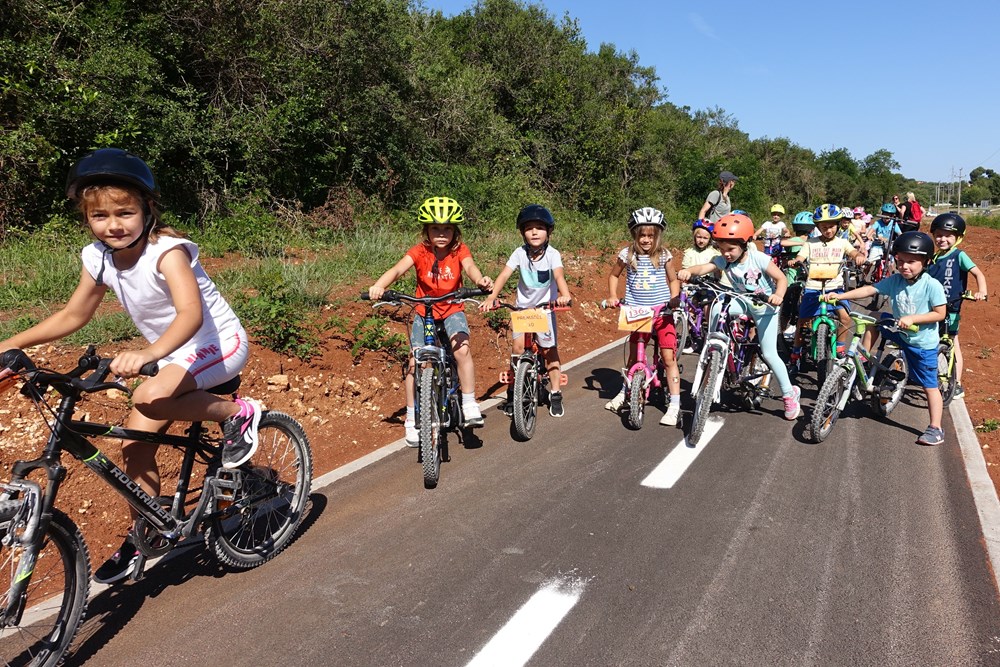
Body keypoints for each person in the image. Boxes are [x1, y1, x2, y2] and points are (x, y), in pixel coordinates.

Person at [0, 148, 262, 584]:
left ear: (147, 209)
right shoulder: (98, 257)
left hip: (216, 342)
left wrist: (148, 354)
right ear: (87, 219)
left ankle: (239, 414)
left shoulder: (167, 251)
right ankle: (147, 531)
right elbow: (73, 315)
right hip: (171, 351)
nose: (113, 225)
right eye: (100, 216)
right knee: (135, 445)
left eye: (124, 212)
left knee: (151, 396)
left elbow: (190, 316)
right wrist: (7, 342)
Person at [368, 196, 493, 445]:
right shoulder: (419, 251)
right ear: (426, 230)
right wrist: (379, 285)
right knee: (415, 363)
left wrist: (480, 281)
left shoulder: (459, 250)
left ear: (455, 231)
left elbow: (470, 267)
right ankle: (413, 419)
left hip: (452, 308)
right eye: (435, 228)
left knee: (462, 350)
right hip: (424, 312)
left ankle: (469, 403)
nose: (441, 233)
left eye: (447, 228)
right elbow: (397, 270)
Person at [825, 231, 947, 445]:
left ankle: (935, 428)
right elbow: (870, 289)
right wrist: (841, 295)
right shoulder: (895, 280)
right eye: (899, 261)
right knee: (876, 319)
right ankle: (863, 360)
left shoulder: (931, 285)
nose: (904, 266)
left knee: (929, 385)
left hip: (921, 342)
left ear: (926, 262)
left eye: (911, 262)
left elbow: (940, 313)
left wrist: (913, 318)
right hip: (899, 330)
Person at [678, 213, 802, 420]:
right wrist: (689, 271)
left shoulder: (758, 258)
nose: (726, 254)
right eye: (721, 248)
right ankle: (717, 342)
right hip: (742, 301)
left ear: (745, 244)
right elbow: (704, 267)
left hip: (765, 307)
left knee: (770, 353)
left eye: (730, 249)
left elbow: (781, 278)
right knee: (718, 306)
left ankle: (790, 394)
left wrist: (778, 295)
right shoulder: (723, 261)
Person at [480, 204, 572, 417]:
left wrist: (563, 295)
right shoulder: (519, 253)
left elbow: (558, 276)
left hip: (545, 311)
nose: (534, 232)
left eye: (539, 228)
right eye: (529, 228)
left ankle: (556, 393)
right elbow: (504, 275)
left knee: (549, 351)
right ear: (523, 233)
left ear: (548, 231)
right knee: (518, 348)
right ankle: (515, 389)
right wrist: (492, 297)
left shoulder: (552, 254)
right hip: (523, 310)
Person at [605, 207, 682, 426]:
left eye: (651, 235)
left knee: (668, 358)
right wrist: (612, 296)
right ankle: (625, 390)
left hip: (662, 312)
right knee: (634, 356)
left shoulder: (664, 255)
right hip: (636, 311)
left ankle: (674, 404)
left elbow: (673, 279)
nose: (646, 239)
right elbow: (613, 275)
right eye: (642, 235)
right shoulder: (627, 254)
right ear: (634, 235)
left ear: (658, 235)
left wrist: (674, 298)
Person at [787, 204, 867, 370]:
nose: (828, 230)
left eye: (831, 226)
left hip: (835, 288)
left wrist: (859, 256)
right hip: (813, 287)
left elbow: (853, 252)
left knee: (845, 318)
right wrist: (797, 261)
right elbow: (801, 256)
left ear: (837, 225)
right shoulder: (810, 243)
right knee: (803, 323)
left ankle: (839, 346)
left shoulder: (842, 242)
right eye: (824, 227)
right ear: (818, 227)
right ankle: (795, 353)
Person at [925, 213, 989, 398]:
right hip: (933, 308)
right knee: (930, 339)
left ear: (958, 237)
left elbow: (978, 273)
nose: (942, 239)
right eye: (938, 234)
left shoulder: (959, 255)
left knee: (953, 342)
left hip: (952, 308)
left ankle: (957, 383)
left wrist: (981, 291)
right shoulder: (934, 257)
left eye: (948, 235)